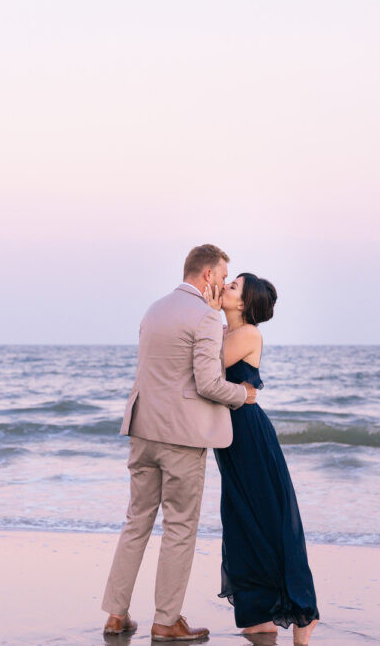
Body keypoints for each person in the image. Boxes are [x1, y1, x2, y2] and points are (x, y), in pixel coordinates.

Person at [101, 244, 257, 642]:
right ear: (207, 275)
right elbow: (207, 383)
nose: (223, 284)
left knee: (136, 522)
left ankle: (116, 615)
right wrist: (242, 394)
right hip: (181, 438)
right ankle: (166, 620)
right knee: (180, 528)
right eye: (222, 276)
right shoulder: (204, 318)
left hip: (142, 431)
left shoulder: (154, 309)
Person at [214, 273, 319, 644]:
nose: (225, 287)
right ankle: (259, 614)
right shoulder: (223, 331)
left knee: (270, 521)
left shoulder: (247, 334)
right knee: (242, 522)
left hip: (249, 435)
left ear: (242, 304)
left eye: (233, 287)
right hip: (228, 438)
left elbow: (205, 371)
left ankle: (304, 611)